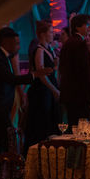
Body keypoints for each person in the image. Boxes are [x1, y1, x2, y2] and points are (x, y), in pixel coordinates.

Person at [0, 28, 44, 157]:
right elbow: (11, 79)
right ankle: (2, 165)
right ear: (6, 43)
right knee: (6, 137)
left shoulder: (2, 57)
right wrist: (34, 75)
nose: (19, 47)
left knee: (4, 138)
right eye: (16, 43)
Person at [25, 21, 60, 149]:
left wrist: (56, 65)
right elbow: (41, 74)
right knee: (42, 120)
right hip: (42, 90)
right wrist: (54, 89)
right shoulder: (39, 50)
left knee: (50, 119)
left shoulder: (49, 49)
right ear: (43, 34)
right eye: (50, 32)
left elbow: (52, 71)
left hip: (49, 88)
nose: (53, 34)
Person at [58, 15, 90, 125]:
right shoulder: (80, 44)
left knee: (72, 124)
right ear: (78, 27)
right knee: (81, 127)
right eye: (87, 25)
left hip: (69, 94)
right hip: (80, 95)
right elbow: (85, 72)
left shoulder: (68, 43)